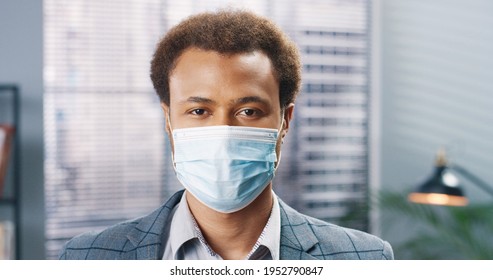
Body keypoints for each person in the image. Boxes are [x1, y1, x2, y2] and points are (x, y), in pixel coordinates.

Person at [59, 9, 393, 260]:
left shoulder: (365, 259)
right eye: (199, 111)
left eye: (249, 111)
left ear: (285, 122)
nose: (224, 135)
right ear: (168, 120)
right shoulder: (86, 257)